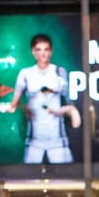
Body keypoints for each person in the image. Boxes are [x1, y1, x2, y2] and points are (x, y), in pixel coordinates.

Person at [9, 33, 80, 164]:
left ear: (51, 51)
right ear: (33, 51)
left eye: (46, 49)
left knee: (65, 175)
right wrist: (25, 109)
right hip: (34, 140)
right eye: (39, 49)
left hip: (57, 140)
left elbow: (68, 101)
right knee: (29, 176)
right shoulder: (26, 74)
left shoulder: (59, 72)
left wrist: (68, 112)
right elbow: (14, 104)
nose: (43, 54)